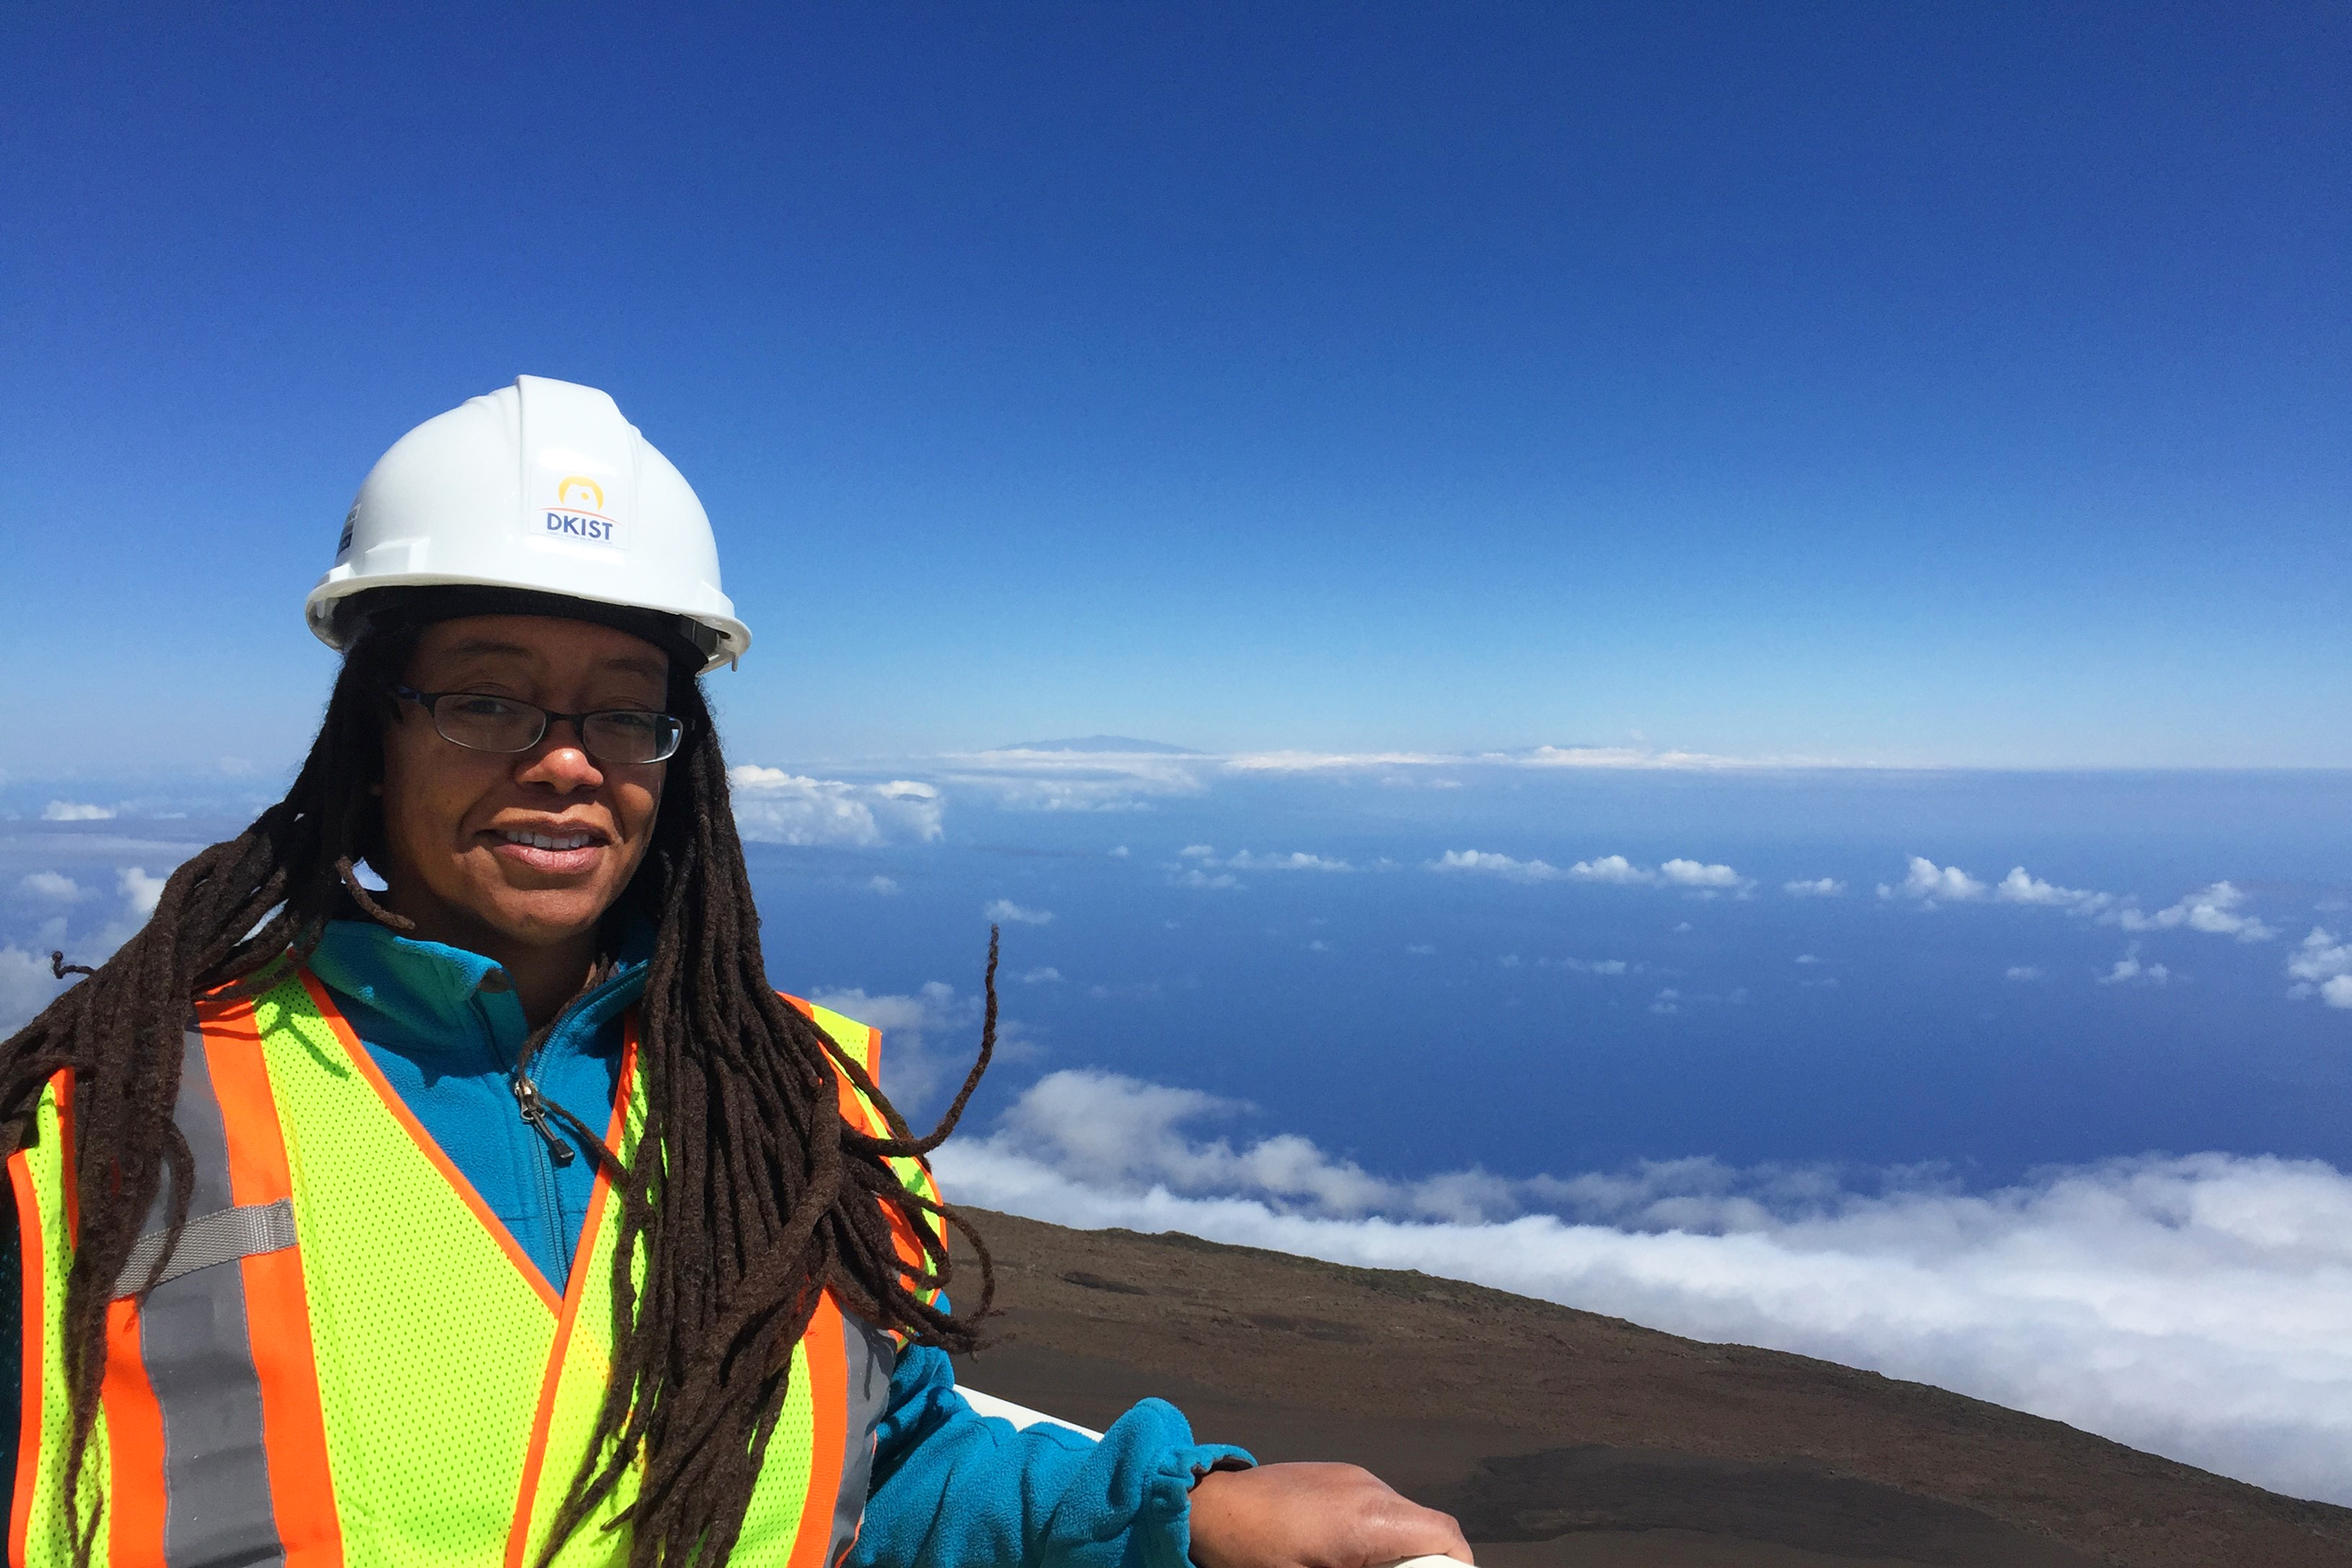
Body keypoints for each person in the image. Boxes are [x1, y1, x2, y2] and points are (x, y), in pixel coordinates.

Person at [0, 376, 1472, 1568]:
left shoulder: (792, 1109)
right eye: (489, 697)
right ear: (368, 732)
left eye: (623, 712)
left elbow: (870, 1470)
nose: (565, 759)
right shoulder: (102, 1125)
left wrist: (1178, 1513)